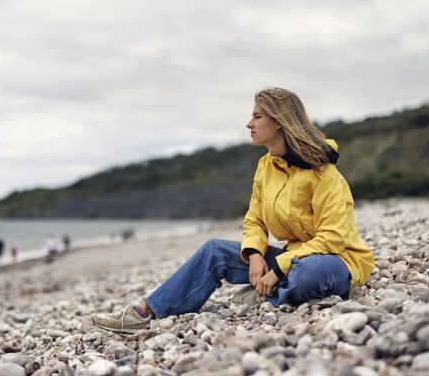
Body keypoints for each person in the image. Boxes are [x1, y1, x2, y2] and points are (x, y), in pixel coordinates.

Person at [92, 87, 375, 333]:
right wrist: (253, 255)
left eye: (257, 116)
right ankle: (144, 312)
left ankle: (266, 294)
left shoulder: (323, 171)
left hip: (338, 262)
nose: (249, 123)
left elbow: (333, 238)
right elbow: (254, 220)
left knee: (307, 273)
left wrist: (276, 268)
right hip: (291, 258)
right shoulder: (266, 166)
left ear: (279, 122)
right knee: (214, 250)